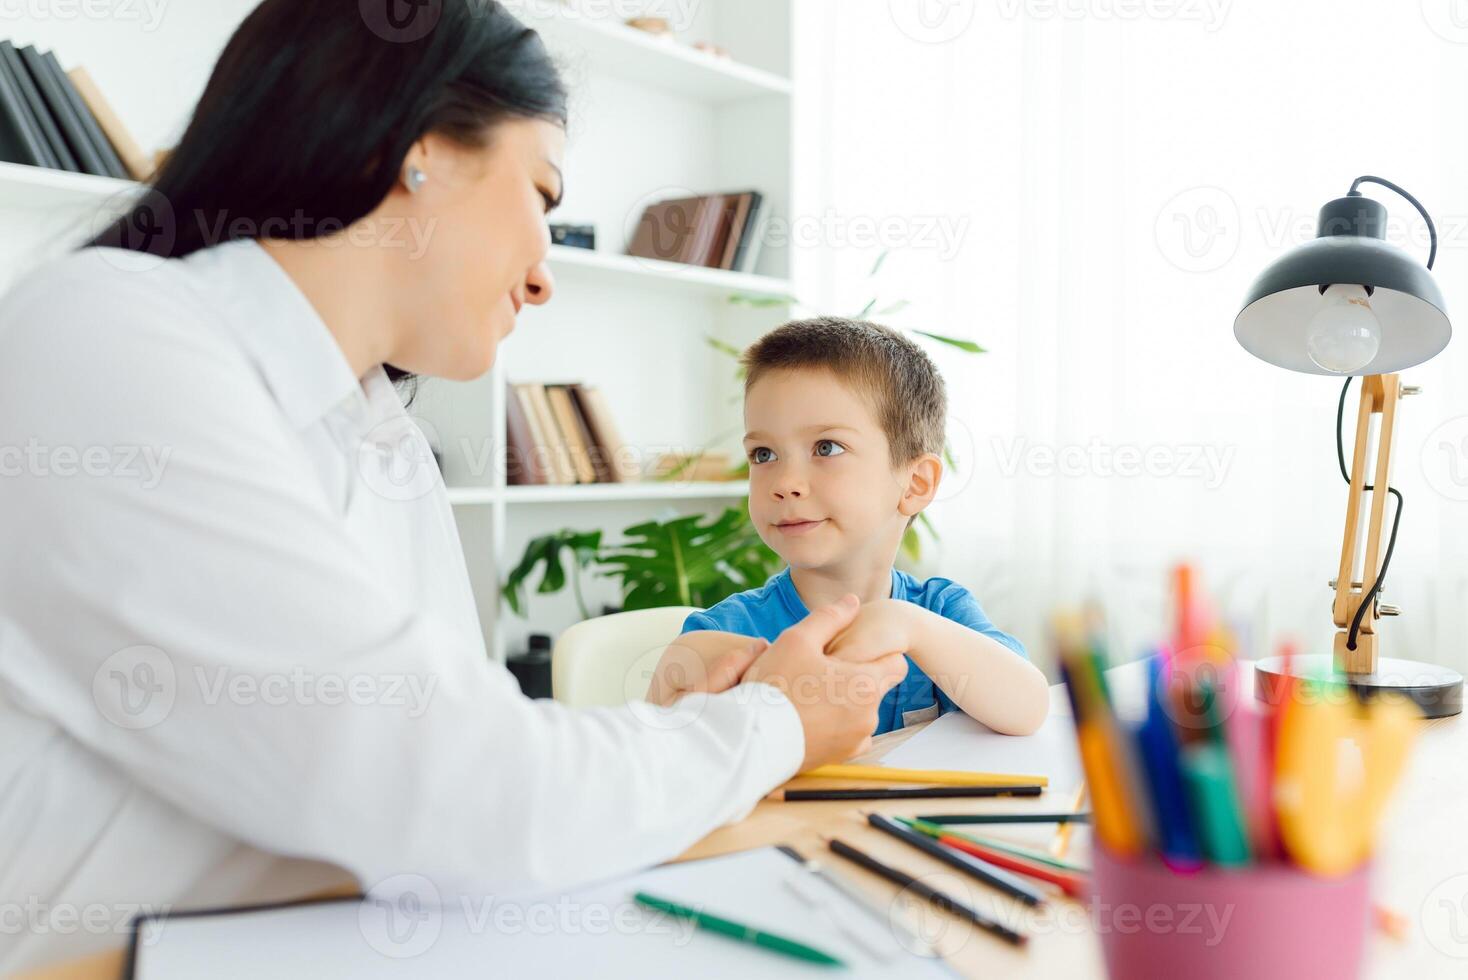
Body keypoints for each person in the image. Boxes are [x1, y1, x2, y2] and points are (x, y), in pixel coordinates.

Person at [0, 3, 905, 972]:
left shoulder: (379, 434)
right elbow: (454, 795)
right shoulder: (107, 338)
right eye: (544, 194)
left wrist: (665, 721)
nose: (544, 275)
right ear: (417, 152)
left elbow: (452, 753)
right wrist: (768, 722)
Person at [653, 317, 1049, 736]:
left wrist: (906, 625)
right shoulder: (725, 632)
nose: (785, 484)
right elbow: (663, 761)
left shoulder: (937, 612)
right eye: (764, 454)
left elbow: (1028, 707)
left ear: (915, 484)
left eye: (826, 448)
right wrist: (681, 668)